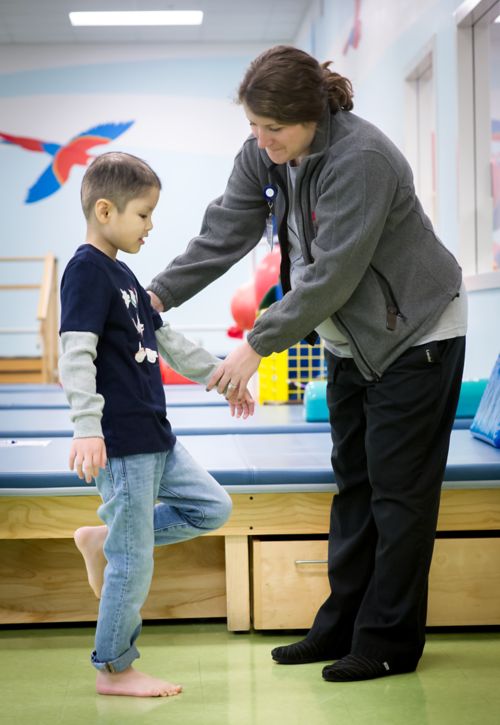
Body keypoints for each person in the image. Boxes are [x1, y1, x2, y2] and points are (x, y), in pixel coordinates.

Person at [147, 45, 467, 682]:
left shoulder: (362, 158)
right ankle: (342, 626)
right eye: (254, 128)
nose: (263, 142)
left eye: (275, 129)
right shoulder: (266, 154)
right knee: (354, 487)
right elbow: (224, 232)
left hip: (418, 335)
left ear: (313, 115)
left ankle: (388, 643)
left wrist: (254, 346)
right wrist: (152, 294)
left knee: (398, 498)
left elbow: (330, 277)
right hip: (352, 341)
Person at [59, 151, 254, 698]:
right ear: (105, 210)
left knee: (211, 507)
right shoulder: (85, 271)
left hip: (156, 437)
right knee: (133, 560)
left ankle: (104, 540)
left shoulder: (123, 274)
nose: (151, 226)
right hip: (121, 442)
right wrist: (86, 427)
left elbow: (166, 341)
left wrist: (224, 375)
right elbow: (75, 355)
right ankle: (114, 668)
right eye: (143, 214)